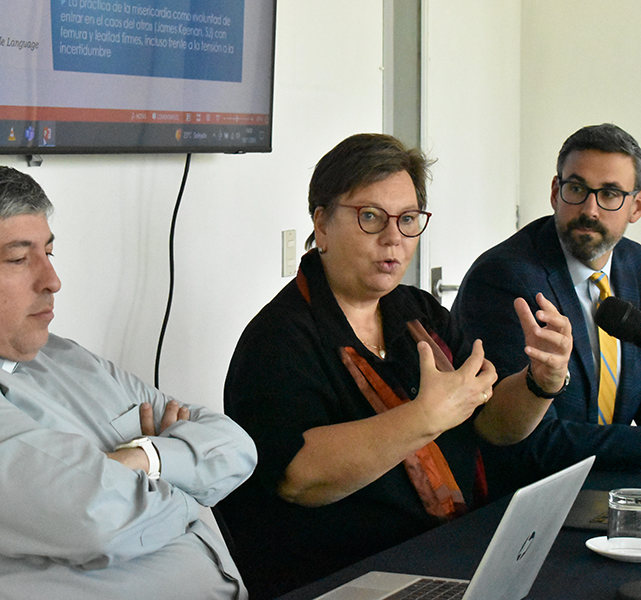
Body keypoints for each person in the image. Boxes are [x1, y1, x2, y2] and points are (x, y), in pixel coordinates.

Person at [0, 163, 257, 600]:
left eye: (49, 252)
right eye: (17, 258)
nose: (52, 280)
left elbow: (236, 447)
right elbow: (98, 519)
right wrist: (189, 484)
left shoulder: (63, 356)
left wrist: (142, 460)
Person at [218, 133, 573, 599]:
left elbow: (492, 423)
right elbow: (297, 476)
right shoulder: (279, 338)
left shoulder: (419, 312)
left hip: (447, 555)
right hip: (340, 578)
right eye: (370, 217)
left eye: (407, 220)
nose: (393, 239)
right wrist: (423, 418)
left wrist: (539, 384)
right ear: (321, 224)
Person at [450, 123, 641, 496]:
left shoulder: (637, 266)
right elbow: (535, 443)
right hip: (520, 500)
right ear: (556, 192)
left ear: (636, 206)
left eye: (609, 194)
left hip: (606, 489)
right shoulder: (506, 278)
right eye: (576, 189)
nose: (589, 209)